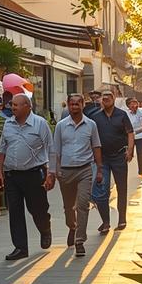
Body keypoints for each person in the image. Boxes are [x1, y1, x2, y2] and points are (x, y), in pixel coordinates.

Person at [0, 94, 55, 261]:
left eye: (16, 105)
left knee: (37, 209)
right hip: (12, 175)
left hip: (34, 174)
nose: (13, 108)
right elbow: (2, 149)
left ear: (27, 106)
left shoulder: (40, 124)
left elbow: (51, 149)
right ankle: (20, 247)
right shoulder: (8, 124)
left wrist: (51, 173)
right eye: (12, 105)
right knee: (15, 211)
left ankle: (45, 228)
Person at [53, 93, 104, 257]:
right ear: (68, 106)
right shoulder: (61, 126)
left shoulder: (91, 125)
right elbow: (56, 150)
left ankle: (80, 240)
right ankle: (72, 227)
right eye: (72, 104)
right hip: (66, 171)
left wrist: (100, 170)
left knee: (83, 204)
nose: (74, 107)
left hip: (85, 170)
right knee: (69, 207)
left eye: (77, 104)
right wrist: (55, 171)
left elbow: (96, 146)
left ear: (83, 105)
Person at [87, 89, 133, 232]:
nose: (106, 98)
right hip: (102, 160)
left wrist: (130, 150)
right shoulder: (95, 117)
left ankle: (122, 219)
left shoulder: (122, 115)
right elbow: (91, 137)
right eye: (104, 96)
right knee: (102, 191)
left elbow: (130, 133)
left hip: (119, 157)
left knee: (122, 188)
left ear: (114, 99)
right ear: (101, 99)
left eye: (109, 96)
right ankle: (105, 222)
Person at [127, 97, 142, 177]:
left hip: (140, 137)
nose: (135, 105)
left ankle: (141, 171)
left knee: (140, 154)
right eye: (132, 103)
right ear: (128, 106)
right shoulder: (126, 114)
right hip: (129, 137)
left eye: (136, 103)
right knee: (128, 153)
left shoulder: (141, 113)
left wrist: (134, 132)